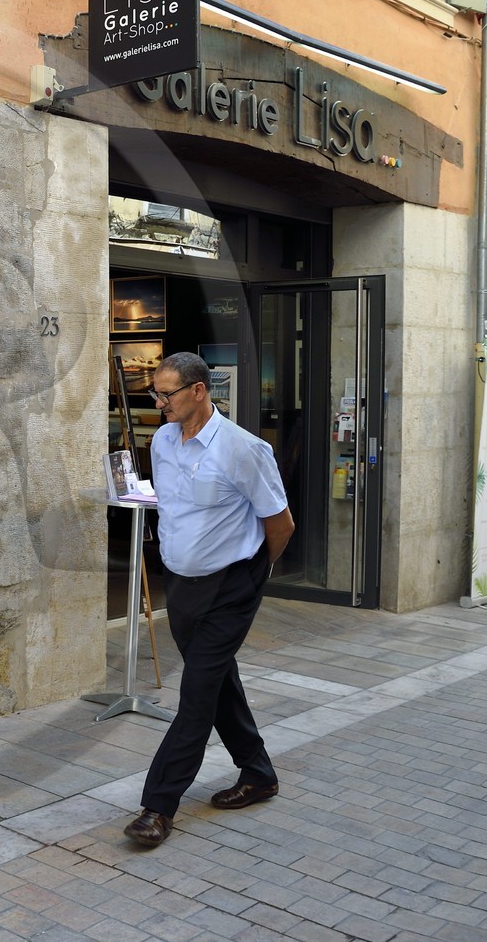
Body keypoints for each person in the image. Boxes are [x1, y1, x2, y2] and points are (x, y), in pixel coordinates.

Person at [123, 352, 295, 848]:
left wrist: (251, 577)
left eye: (167, 393)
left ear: (198, 390)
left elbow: (280, 524)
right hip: (180, 585)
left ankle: (158, 806)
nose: (158, 402)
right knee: (217, 682)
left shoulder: (243, 449)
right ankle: (259, 774)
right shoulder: (161, 440)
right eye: (155, 392)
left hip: (230, 587)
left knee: (196, 695)